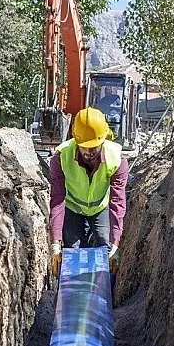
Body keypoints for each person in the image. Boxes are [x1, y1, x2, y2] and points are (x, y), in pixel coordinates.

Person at [49, 107, 128, 277]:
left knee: (106, 251)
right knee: (73, 252)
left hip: (100, 208)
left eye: (94, 147)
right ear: (76, 140)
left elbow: (118, 203)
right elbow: (57, 199)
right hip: (72, 208)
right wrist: (55, 243)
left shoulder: (117, 160)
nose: (89, 152)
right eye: (84, 147)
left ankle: (107, 295)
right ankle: (72, 294)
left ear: (103, 140)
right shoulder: (61, 158)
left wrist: (115, 244)